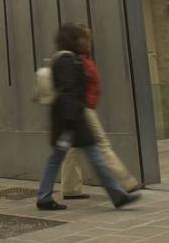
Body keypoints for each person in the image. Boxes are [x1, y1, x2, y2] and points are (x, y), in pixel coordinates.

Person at [36, 23, 139, 211]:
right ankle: (117, 194)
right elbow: (68, 93)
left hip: (71, 119)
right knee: (92, 156)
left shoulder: (69, 58)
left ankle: (45, 196)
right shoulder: (67, 60)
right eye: (80, 37)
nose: (85, 40)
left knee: (66, 157)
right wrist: (70, 122)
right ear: (73, 39)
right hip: (71, 121)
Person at [60, 27, 140, 201]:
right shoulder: (75, 59)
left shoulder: (83, 57)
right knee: (101, 144)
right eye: (86, 38)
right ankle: (126, 182)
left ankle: (70, 188)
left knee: (72, 150)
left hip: (83, 107)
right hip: (83, 108)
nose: (89, 41)